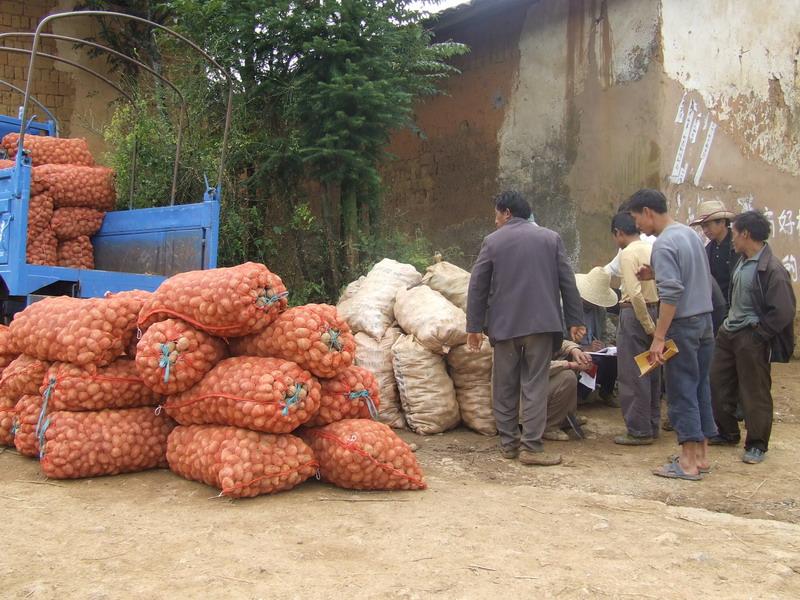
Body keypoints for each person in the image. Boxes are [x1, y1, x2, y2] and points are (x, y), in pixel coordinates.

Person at [467, 190, 585, 467]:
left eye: (496, 215)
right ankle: (532, 447)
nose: (495, 221)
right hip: (542, 327)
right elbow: (568, 282)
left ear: (507, 213)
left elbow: (477, 286)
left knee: (504, 386)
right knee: (535, 384)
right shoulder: (550, 238)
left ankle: (509, 445)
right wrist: (575, 320)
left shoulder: (492, 242)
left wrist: (473, 326)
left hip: (505, 327)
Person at [628, 188, 716, 481]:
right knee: (701, 385)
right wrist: (654, 273)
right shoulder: (689, 235)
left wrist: (659, 336)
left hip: (683, 325)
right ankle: (701, 455)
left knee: (681, 390)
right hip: (705, 321)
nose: (637, 226)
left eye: (636, 218)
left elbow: (672, 293)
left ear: (647, 212)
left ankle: (687, 462)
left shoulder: (664, 244)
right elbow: (690, 274)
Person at [709, 211, 796, 464]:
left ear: (746, 234)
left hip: (751, 336)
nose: (732, 238)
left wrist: (760, 335)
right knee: (716, 382)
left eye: (734, 232)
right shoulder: (740, 260)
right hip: (729, 332)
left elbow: (784, 310)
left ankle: (757, 443)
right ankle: (727, 432)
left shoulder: (773, 269)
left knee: (754, 391)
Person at [609, 211, 661, 445]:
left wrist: (649, 327)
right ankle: (651, 423)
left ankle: (638, 429)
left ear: (619, 233)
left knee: (632, 373)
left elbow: (635, 292)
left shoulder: (627, 254)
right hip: (656, 308)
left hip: (634, 314)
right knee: (651, 369)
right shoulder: (651, 249)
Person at [573, 267, 619, 406]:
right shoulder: (568, 309)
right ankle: (579, 395)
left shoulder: (600, 310)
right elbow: (561, 341)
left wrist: (605, 345)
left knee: (614, 357)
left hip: (595, 351)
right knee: (593, 360)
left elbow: (606, 333)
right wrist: (584, 348)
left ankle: (606, 391)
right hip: (575, 351)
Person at [690, 199, 738, 309]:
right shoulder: (707, 250)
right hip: (716, 307)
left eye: (707, 225)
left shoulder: (737, 245)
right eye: (703, 227)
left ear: (721, 222)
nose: (705, 231)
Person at [544, 339, 593, 441]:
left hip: (533, 387)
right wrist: (571, 365)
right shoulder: (519, 336)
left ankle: (566, 416)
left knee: (573, 356)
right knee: (567, 377)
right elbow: (536, 366)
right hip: (521, 394)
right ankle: (549, 426)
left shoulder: (536, 330)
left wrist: (575, 350)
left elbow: (559, 342)